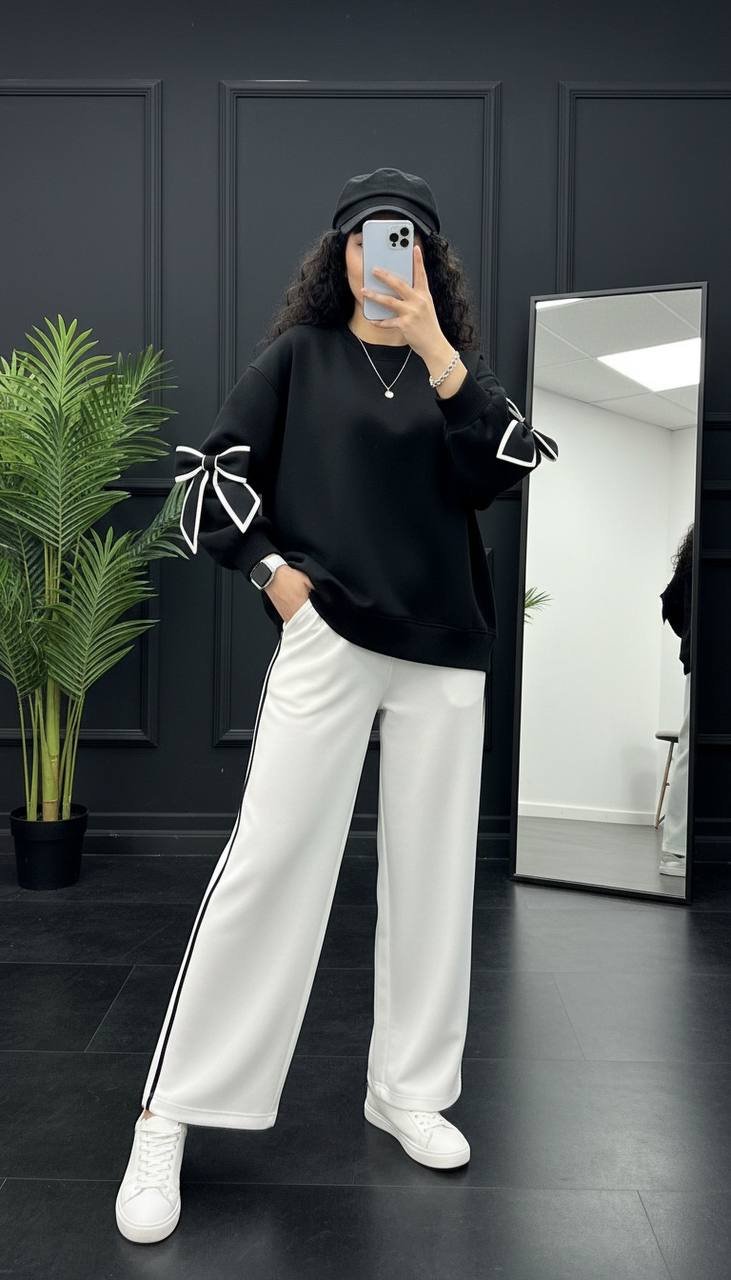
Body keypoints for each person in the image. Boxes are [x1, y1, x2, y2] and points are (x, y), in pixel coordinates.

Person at [115, 167, 558, 1244]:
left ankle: (407, 1090)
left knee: (433, 879)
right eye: (365, 237)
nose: (380, 255)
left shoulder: (455, 376)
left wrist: (440, 353)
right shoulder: (299, 359)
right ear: (339, 253)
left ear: (428, 260)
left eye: (402, 238)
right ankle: (168, 1113)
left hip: (444, 652)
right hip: (329, 639)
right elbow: (207, 478)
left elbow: (508, 464)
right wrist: (275, 575)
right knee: (269, 866)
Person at [658, 524, 693, 877]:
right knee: (690, 745)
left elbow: (670, 602)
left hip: (700, 656)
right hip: (704, 658)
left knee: (689, 746)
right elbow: (671, 601)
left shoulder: (695, 551)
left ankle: (678, 849)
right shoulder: (699, 554)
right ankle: (676, 850)